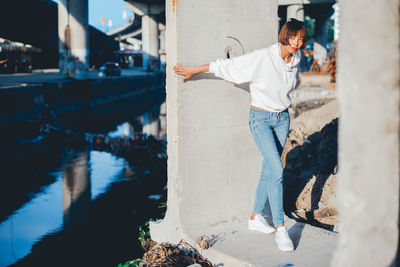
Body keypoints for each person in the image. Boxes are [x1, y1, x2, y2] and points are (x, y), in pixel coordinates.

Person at [173, 18, 307, 252]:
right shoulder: (264, 57)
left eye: (301, 39)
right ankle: (280, 228)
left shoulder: (296, 59)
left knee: (269, 169)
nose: (297, 42)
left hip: (282, 119)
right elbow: (230, 66)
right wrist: (195, 70)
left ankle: (255, 217)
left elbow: (289, 83)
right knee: (277, 170)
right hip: (261, 120)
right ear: (285, 36)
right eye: (293, 37)